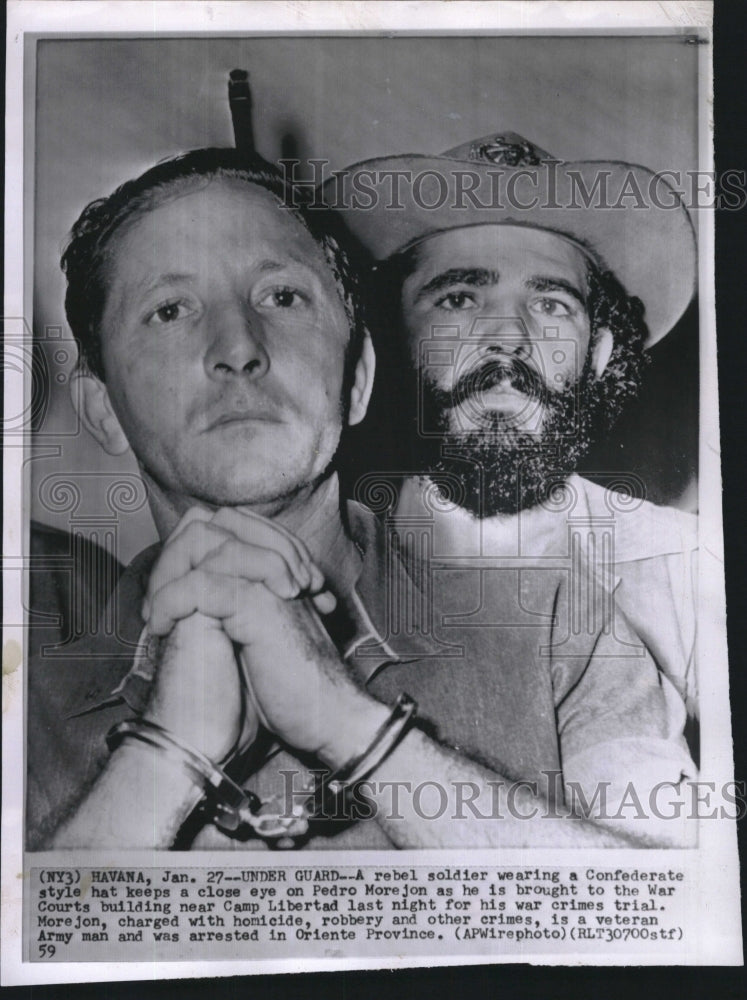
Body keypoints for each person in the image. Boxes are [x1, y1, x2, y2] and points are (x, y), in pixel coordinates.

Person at [28, 147, 695, 852]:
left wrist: (351, 726)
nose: (237, 347)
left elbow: (670, 922)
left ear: (357, 379)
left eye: (282, 297)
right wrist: (164, 754)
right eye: (169, 310)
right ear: (102, 408)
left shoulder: (565, 629)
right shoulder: (31, 705)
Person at [327, 131, 699, 748]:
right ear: (392, 343)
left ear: (598, 355)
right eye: (459, 297)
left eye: (551, 305)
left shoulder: (687, 569)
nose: (508, 339)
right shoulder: (329, 566)